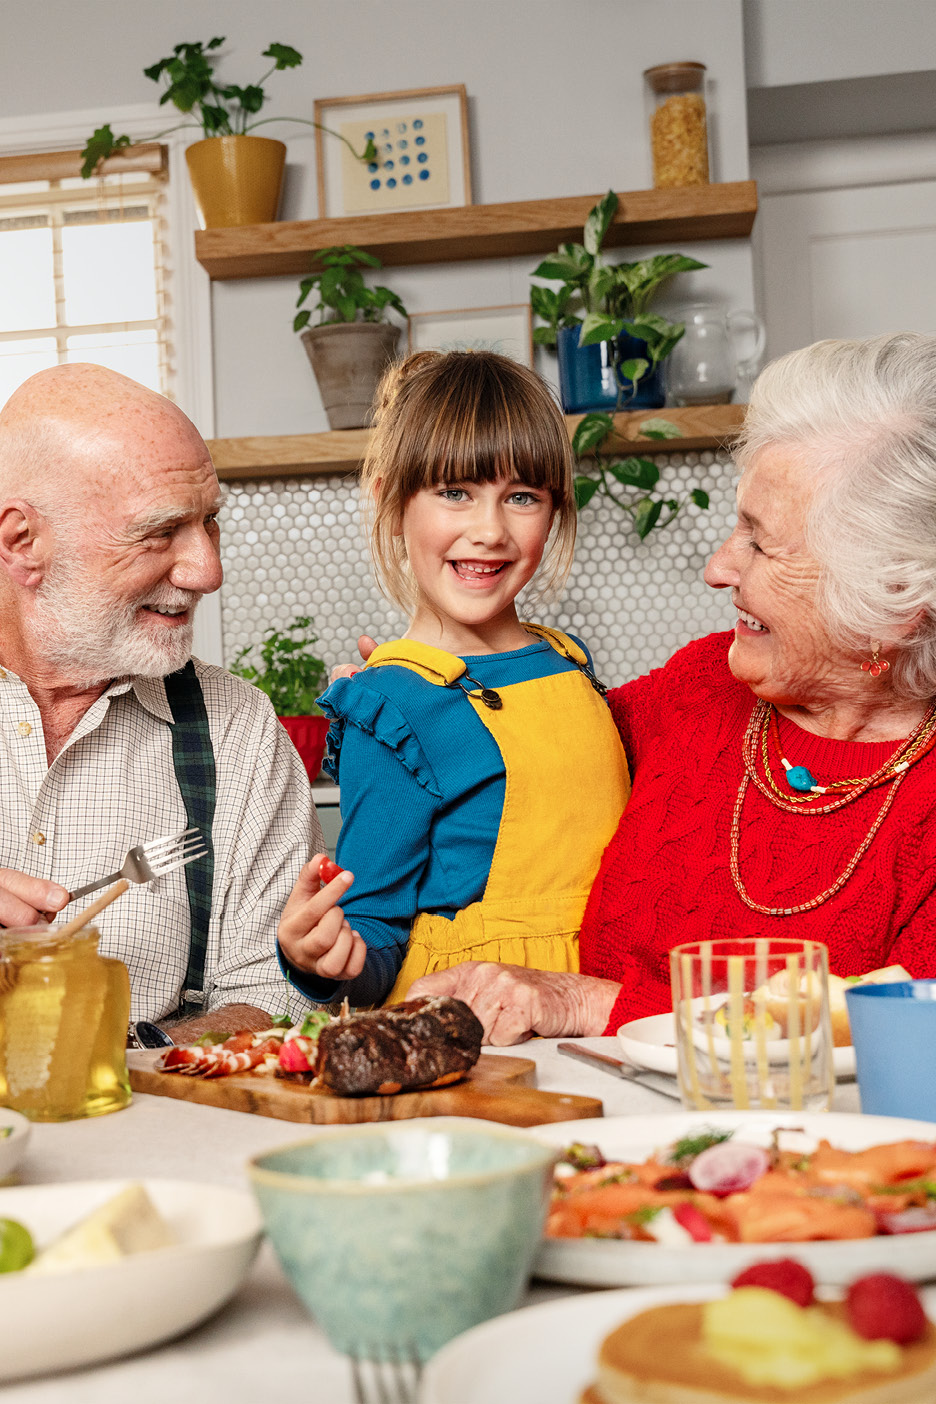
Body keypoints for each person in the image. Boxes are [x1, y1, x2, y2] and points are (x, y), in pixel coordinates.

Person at [347, 331, 936, 1043]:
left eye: (759, 540)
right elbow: (537, 755)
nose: (719, 567)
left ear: (892, 606)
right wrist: (416, 709)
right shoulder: (703, 685)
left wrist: (587, 1004)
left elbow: (905, 1048)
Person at [277, 350, 630, 1008]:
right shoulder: (395, 705)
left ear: (555, 509)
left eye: (521, 496)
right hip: (473, 1027)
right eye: (455, 492)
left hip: (594, 1001)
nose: (489, 530)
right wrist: (328, 958)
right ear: (390, 497)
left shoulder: (568, 662)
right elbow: (376, 928)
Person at [0, 363, 322, 1038]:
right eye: (160, 531)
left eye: (209, 522)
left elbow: (280, 994)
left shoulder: (236, 729)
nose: (208, 570)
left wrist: (123, 1056)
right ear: (21, 542)